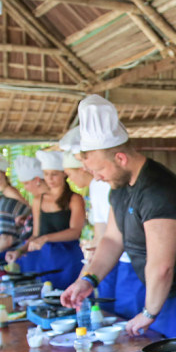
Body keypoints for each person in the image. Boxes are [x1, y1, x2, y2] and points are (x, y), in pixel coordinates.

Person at [60, 95, 176, 341]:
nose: (97, 178)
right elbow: (112, 240)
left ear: (121, 158)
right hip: (165, 289)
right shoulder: (119, 187)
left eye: (100, 170)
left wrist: (149, 312)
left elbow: (162, 265)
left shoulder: (157, 190)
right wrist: (88, 279)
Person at [61, 127, 144, 319]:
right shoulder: (96, 186)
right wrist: (85, 274)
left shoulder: (121, 183)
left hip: (133, 263)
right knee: (114, 315)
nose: (84, 169)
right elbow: (104, 233)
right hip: (110, 261)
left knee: (132, 320)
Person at [7, 150, 85, 288]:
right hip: (46, 258)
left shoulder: (74, 199)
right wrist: (19, 251)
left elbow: (75, 232)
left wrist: (46, 238)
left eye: (54, 174)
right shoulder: (38, 200)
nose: (50, 179)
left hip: (69, 258)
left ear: (64, 174)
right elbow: (36, 235)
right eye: (46, 174)